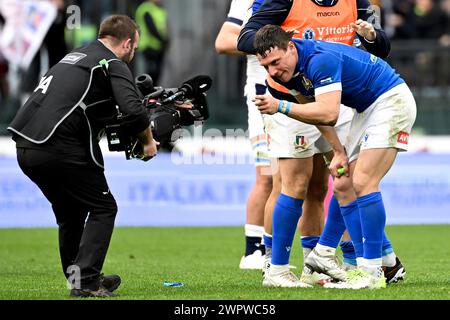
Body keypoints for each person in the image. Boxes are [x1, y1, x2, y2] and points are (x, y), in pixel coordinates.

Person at [253, 24, 416, 289]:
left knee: (362, 182)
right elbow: (312, 109)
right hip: (366, 109)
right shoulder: (288, 72)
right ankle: (335, 254)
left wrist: (280, 106)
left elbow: (329, 113)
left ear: (291, 47)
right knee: (343, 183)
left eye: (275, 62)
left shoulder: (320, 60)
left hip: (390, 100)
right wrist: (338, 151)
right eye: (266, 67)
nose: (272, 71)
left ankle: (372, 272)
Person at [8, 15, 159, 297]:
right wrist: (148, 142)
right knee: (104, 208)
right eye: (135, 48)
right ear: (126, 44)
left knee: (71, 213)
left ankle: (79, 276)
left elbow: (82, 103)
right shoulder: (112, 62)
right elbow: (134, 110)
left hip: (25, 145)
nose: (133, 54)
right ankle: (86, 280)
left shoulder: (75, 56)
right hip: (58, 147)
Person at [215, 0, 272, 270]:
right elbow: (224, 41)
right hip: (263, 94)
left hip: (301, 91)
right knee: (267, 176)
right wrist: (270, 44)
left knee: (308, 178)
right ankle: (253, 251)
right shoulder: (246, 1)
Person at [135, 0, 169, 85]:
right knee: (151, 72)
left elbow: (164, 26)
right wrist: (163, 40)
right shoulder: (146, 8)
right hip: (148, 46)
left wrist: (166, 40)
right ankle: (148, 93)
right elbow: (151, 27)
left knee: (157, 73)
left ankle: (154, 92)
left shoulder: (159, 9)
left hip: (158, 46)